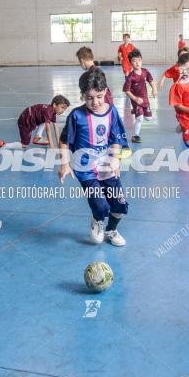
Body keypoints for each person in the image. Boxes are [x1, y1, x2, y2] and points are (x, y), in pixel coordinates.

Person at [58, 68, 129, 247]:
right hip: (86, 169)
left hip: (107, 168)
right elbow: (64, 141)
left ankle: (111, 230)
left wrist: (115, 159)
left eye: (99, 96)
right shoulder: (76, 116)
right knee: (100, 205)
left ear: (105, 91)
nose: (95, 102)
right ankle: (97, 219)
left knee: (119, 204)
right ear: (82, 96)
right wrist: (65, 164)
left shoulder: (112, 112)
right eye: (89, 98)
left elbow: (116, 138)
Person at [0, 95, 70, 149]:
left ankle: (37, 137)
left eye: (64, 109)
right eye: (62, 107)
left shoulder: (52, 112)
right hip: (25, 122)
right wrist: (51, 145)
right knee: (24, 145)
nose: (63, 110)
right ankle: (4, 145)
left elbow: (56, 128)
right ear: (54, 105)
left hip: (28, 116)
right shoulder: (48, 112)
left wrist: (59, 144)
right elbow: (48, 130)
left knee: (47, 120)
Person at [123, 49, 156, 143]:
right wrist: (135, 98)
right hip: (136, 101)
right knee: (140, 119)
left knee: (148, 118)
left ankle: (136, 111)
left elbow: (151, 81)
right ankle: (135, 136)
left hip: (145, 100)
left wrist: (154, 89)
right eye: (134, 61)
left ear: (141, 60)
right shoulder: (130, 77)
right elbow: (127, 91)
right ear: (130, 63)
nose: (137, 63)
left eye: (139, 60)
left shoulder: (145, 71)